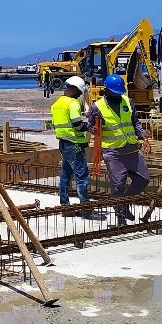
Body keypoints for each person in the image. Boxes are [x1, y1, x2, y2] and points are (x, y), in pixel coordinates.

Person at [86, 74, 152, 225]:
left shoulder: (128, 102)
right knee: (118, 185)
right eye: (115, 93)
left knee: (143, 180)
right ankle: (120, 217)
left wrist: (144, 138)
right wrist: (94, 129)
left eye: (119, 93)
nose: (118, 96)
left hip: (132, 150)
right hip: (113, 152)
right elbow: (90, 126)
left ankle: (125, 203)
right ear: (107, 91)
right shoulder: (97, 107)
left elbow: (135, 122)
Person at [50, 76, 106, 220]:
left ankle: (65, 207)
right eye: (79, 93)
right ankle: (86, 209)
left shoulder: (57, 103)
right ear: (74, 89)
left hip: (63, 143)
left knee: (65, 176)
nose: (80, 96)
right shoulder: (73, 103)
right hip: (74, 145)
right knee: (82, 177)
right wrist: (90, 128)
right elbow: (77, 125)